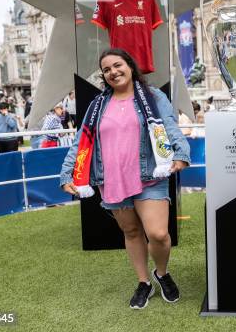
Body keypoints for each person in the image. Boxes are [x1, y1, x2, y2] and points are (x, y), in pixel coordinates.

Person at [60, 48, 190, 310]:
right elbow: (81, 141)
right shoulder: (98, 105)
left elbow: (169, 125)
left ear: (130, 67)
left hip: (149, 174)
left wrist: (181, 153)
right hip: (111, 179)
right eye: (106, 69)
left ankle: (161, 273)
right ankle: (144, 282)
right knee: (131, 231)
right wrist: (67, 174)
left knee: (158, 233)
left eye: (117, 65)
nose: (113, 72)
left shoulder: (153, 97)